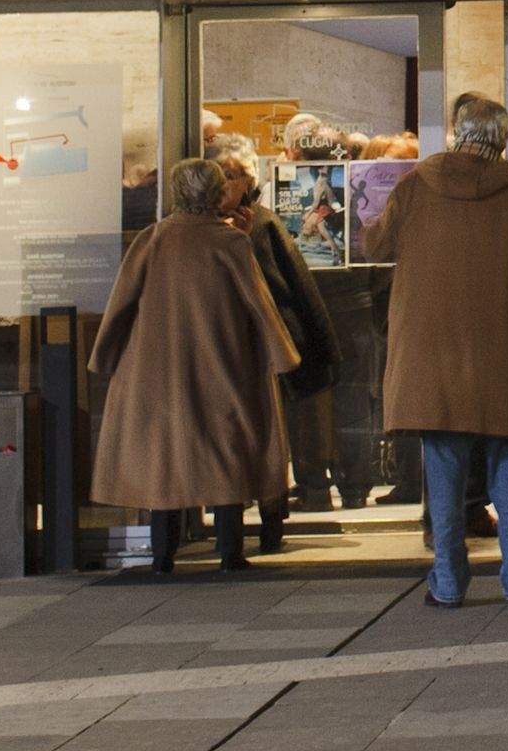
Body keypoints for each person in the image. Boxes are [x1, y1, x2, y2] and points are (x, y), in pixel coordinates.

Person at [371, 91, 508, 606]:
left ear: (458, 133)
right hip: (505, 348)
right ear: (502, 139)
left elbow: (376, 245)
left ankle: (448, 582)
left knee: (443, 471)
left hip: (430, 352)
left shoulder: (416, 184)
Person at [92, 158, 297, 577]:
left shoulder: (152, 240)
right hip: (223, 361)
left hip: (157, 368)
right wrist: (282, 355)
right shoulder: (231, 243)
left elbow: (120, 304)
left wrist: (106, 356)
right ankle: (230, 553)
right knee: (227, 453)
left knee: (165, 462)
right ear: (217, 193)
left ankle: (162, 556)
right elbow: (259, 303)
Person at [217, 159, 341, 547]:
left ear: (247, 181)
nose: (223, 185)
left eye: (230, 177)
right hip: (235, 346)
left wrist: (320, 342)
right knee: (252, 433)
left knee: (276, 429)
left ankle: (273, 519)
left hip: (268, 342)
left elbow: (296, 284)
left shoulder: (261, 224)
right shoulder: (215, 230)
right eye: (218, 178)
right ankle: (243, 524)